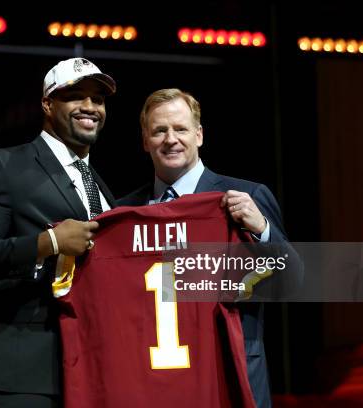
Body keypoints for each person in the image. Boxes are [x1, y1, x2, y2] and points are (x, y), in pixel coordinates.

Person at [118, 88, 304, 408]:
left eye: (180, 128)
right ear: (145, 141)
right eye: (159, 130)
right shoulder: (124, 213)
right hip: (156, 383)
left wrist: (262, 230)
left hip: (229, 376)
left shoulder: (247, 196)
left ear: (199, 135)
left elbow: (292, 282)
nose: (170, 139)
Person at [0, 57, 117, 408]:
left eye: (98, 99)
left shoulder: (102, 187)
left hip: (89, 369)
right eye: (76, 96)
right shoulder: (4, 164)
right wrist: (50, 243)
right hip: (21, 372)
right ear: (47, 103)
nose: (90, 107)